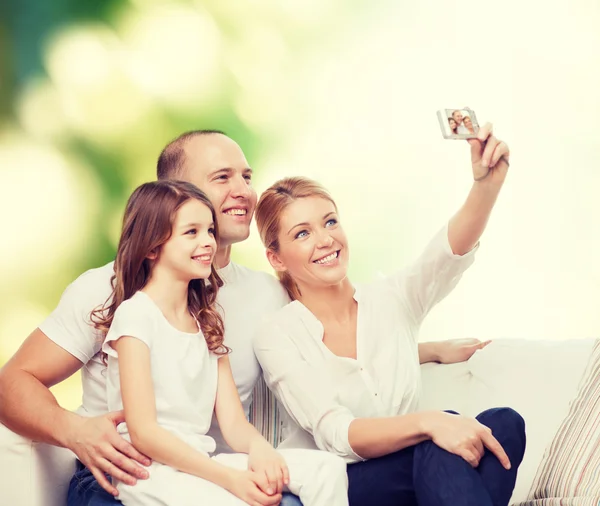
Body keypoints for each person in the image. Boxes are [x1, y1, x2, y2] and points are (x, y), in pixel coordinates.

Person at [0, 130, 304, 506]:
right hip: (127, 478)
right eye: (222, 177)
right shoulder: (109, 290)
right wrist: (74, 430)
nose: (243, 189)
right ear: (174, 192)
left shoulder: (268, 294)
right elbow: (12, 383)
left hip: (211, 478)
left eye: (246, 176)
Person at [253, 123, 526, 506]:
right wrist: (429, 422)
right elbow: (338, 434)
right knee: (440, 436)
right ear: (276, 258)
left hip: (420, 472)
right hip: (344, 484)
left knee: (504, 423)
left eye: (330, 221)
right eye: (302, 234)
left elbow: (445, 257)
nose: (325, 239)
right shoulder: (277, 335)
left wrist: (486, 186)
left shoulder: (390, 300)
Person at [92, 179, 348, 505]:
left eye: (210, 231)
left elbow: (234, 423)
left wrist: (260, 451)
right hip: (151, 473)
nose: (208, 242)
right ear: (153, 247)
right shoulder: (135, 316)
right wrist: (232, 480)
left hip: (201, 461)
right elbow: (144, 433)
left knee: (326, 469)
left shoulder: (206, 321)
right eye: (191, 232)